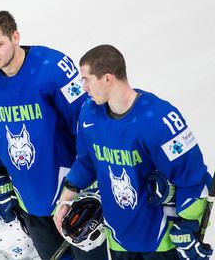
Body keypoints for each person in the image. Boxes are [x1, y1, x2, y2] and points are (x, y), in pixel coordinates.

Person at [0, 11, 107, 259]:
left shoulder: (53, 69)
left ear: (15, 37)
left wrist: (93, 180)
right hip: (29, 202)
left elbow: (88, 127)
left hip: (74, 198)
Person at [54, 44, 212, 260]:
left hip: (160, 241)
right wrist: (66, 198)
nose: (83, 87)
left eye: (86, 79)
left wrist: (189, 226)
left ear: (107, 78)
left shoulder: (159, 119)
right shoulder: (89, 114)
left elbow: (192, 177)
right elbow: (87, 161)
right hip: (118, 237)